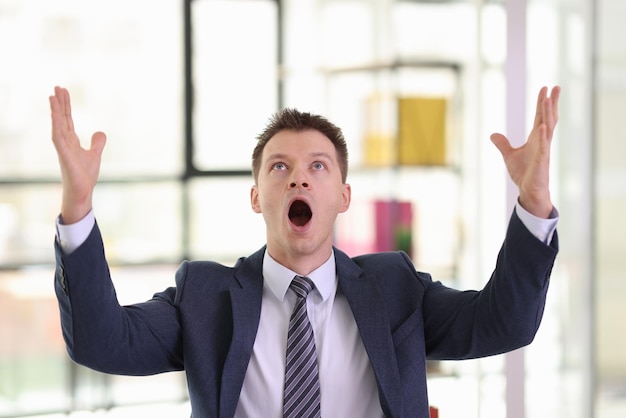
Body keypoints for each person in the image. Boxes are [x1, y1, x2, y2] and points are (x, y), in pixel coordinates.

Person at [50, 85, 560, 418]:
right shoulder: (203, 296)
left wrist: (534, 202)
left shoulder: (396, 287)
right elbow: (101, 341)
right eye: (279, 167)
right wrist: (77, 207)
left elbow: (504, 322)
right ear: (256, 197)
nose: (298, 175)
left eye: (318, 166)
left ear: (343, 196)